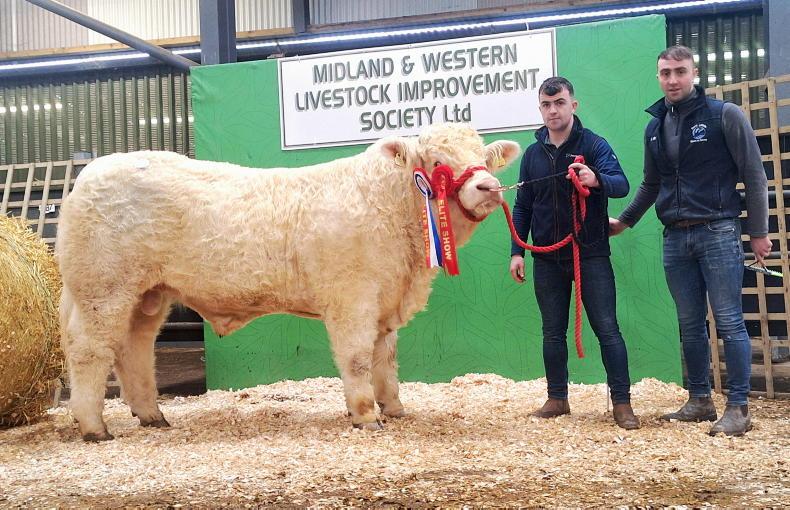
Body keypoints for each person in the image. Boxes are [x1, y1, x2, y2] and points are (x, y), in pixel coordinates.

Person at [610, 45, 770, 436]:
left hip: (718, 230)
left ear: (694, 73)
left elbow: (754, 174)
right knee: (689, 323)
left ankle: (738, 407)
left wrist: (759, 233)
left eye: (680, 71)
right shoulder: (655, 126)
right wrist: (625, 222)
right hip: (675, 238)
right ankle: (699, 399)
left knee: (730, 321)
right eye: (665, 73)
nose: (672, 79)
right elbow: (652, 184)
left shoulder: (724, 115)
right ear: (659, 76)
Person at [509, 76, 639, 430]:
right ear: (541, 109)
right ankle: (557, 397)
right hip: (547, 258)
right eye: (547, 105)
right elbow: (522, 207)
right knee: (552, 331)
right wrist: (517, 251)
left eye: (560, 103)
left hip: (590, 252)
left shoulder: (594, 145)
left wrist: (595, 178)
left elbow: (622, 184)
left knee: (607, 328)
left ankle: (622, 402)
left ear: (572, 105)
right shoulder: (533, 154)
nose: (553, 110)